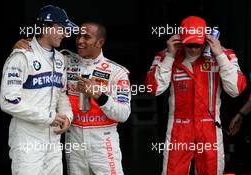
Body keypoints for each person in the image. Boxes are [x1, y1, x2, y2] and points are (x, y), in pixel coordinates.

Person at [13, 22, 131, 175]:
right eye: (78, 36)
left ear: (100, 42)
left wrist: (99, 95)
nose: (79, 40)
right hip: (73, 142)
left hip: (103, 143)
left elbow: (123, 114)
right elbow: (41, 54)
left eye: (86, 37)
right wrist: (23, 45)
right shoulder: (63, 61)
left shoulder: (117, 72)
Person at [145, 16, 247, 175]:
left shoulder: (223, 54)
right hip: (179, 128)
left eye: (197, 45)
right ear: (180, 39)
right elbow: (153, 89)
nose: (193, 49)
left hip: (209, 129)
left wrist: (220, 56)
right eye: (189, 44)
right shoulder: (166, 55)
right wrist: (170, 57)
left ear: (205, 39)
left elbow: (236, 90)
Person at [0, 5, 76, 175]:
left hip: (53, 140)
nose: (65, 34)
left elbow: (61, 94)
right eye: (62, 28)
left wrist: (67, 117)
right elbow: (7, 102)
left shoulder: (60, 59)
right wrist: (48, 117)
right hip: (27, 141)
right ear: (49, 27)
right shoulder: (21, 56)